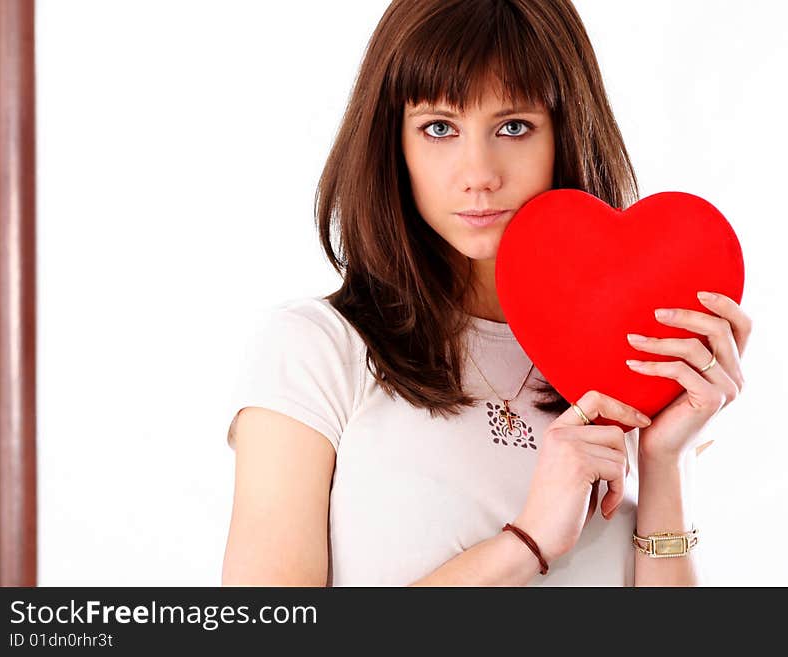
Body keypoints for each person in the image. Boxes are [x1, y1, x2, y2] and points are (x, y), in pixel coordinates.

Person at [221, 0, 752, 587]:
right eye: (439, 128)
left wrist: (663, 460)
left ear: (565, 134)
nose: (478, 172)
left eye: (513, 127)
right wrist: (527, 542)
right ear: (392, 143)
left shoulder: (629, 367)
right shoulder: (319, 351)